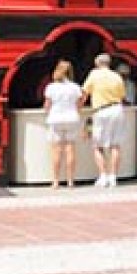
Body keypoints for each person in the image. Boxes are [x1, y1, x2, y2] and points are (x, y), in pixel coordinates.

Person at [82, 52, 126, 188]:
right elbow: (122, 95)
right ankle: (113, 177)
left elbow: (84, 93)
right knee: (115, 145)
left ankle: (103, 176)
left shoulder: (94, 74)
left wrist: (79, 106)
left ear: (97, 63)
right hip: (117, 109)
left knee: (97, 146)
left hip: (101, 111)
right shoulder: (117, 76)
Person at [43, 59, 83, 189]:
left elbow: (47, 105)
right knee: (70, 149)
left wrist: (48, 111)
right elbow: (79, 105)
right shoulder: (75, 87)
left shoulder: (51, 87)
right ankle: (71, 181)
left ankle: (55, 181)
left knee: (56, 150)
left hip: (55, 119)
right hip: (72, 118)